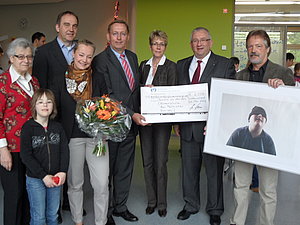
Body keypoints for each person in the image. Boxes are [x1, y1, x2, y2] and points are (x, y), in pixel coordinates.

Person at [230, 29, 294, 225]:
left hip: (269, 142)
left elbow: (292, 108)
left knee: (268, 190)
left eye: (258, 46)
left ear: (268, 49)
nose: (253, 50)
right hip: (244, 142)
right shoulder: (239, 76)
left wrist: (284, 89)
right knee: (240, 187)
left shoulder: (282, 73)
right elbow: (232, 107)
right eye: (250, 46)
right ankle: (236, 222)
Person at [174, 27, 236, 225]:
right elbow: (177, 95)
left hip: (212, 130)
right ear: (190, 44)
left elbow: (229, 97)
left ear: (211, 42)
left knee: (214, 171)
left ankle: (215, 209)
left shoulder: (224, 65)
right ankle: (190, 205)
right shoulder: (181, 65)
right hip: (188, 129)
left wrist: (218, 121)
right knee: (188, 170)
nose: (198, 44)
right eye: (194, 40)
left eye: (203, 40)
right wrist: (176, 120)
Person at [92, 20, 147, 225]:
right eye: (115, 34)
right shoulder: (100, 60)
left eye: (123, 34)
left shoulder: (132, 57)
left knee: (125, 168)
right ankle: (105, 214)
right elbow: (107, 95)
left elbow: (134, 88)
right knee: (107, 172)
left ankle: (120, 207)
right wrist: (132, 113)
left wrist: (149, 92)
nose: (119, 37)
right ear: (108, 36)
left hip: (130, 126)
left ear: (128, 36)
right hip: (112, 124)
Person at [52, 39, 109, 225]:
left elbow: (106, 106)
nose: (84, 60)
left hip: (97, 138)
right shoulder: (60, 79)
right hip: (71, 138)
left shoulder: (98, 77)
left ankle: (101, 221)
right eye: (81, 54)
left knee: (101, 184)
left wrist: (106, 126)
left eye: (89, 56)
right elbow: (55, 111)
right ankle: (78, 220)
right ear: (74, 54)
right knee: (75, 183)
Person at [32, 11, 79, 222]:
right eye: (66, 25)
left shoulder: (81, 50)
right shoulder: (44, 52)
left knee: (72, 160)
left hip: (77, 117)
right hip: (54, 116)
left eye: (74, 25)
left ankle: (70, 201)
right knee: (54, 160)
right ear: (57, 27)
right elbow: (40, 86)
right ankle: (55, 208)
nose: (71, 29)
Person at [0, 37, 40, 225]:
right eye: (21, 56)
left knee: (28, 192)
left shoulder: (35, 82)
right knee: (13, 194)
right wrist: (2, 149)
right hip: (11, 149)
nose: (26, 60)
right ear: (11, 58)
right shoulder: (2, 82)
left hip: (32, 147)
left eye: (29, 57)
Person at [138, 30, 176, 217]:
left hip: (161, 123)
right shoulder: (143, 66)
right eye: (155, 43)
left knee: (160, 163)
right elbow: (137, 91)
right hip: (145, 122)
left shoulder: (171, 67)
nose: (158, 47)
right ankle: (151, 201)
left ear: (165, 46)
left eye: (162, 44)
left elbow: (171, 94)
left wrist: (155, 92)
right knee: (147, 162)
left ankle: (161, 203)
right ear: (150, 46)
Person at [20, 88, 69, 225]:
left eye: (48, 102)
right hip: (36, 179)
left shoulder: (58, 127)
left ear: (53, 106)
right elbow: (26, 155)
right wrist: (43, 176)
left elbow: (65, 151)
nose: (45, 105)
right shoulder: (28, 128)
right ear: (34, 106)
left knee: (53, 215)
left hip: (55, 178)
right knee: (39, 217)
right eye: (40, 102)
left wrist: (63, 171)